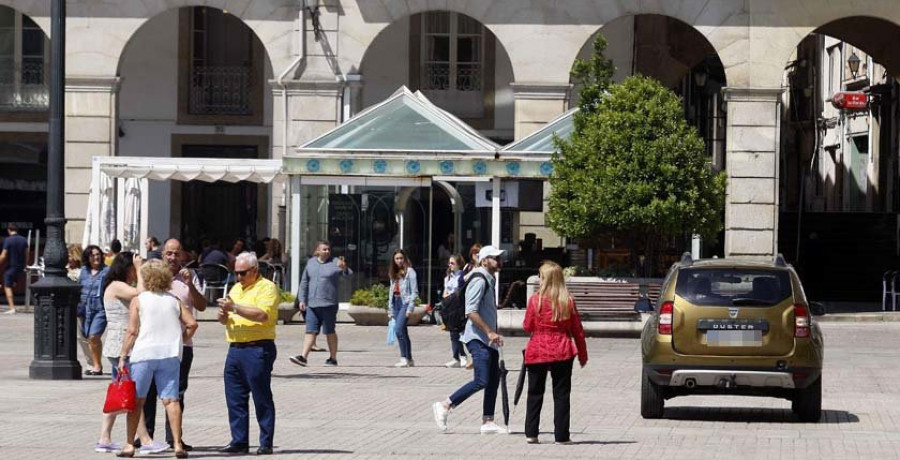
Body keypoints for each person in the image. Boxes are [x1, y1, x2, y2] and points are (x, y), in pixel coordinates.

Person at [116, 259, 196, 458]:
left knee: (137, 401)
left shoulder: (139, 300)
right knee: (171, 400)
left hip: (144, 354)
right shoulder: (174, 299)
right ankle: (178, 444)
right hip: (169, 354)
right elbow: (192, 324)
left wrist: (123, 355)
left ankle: (129, 445)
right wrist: (181, 340)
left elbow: (132, 331)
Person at [96, 252, 167, 455]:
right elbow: (140, 293)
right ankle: (144, 439)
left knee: (120, 392)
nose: (137, 273)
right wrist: (139, 267)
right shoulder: (117, 285)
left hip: (120, 346)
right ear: (126, 268)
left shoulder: (116, 286)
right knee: (133, 394)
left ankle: (105, 437)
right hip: (122, 346)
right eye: (133, 269)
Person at [432, 245, 506, 434]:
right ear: (484, 261)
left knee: (493, 380)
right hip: (478, 339)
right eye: (494, 258)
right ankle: (445, 405)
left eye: (499, 257)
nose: (499, 261)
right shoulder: (479, 280)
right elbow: (470, 311)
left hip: (486, 339)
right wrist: (489, 332)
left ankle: (488, 421)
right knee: (482, 380)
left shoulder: (488, 279)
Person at [142, 239, 207, 451]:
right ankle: (146, 437)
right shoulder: (151, 275)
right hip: (152, 344)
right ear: (162, 255)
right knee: (149, 391)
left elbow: (202, 306)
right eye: (169, 253)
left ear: (183, 256)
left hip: (181, 346)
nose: (172, 257)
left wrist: (189, 285)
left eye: (176, 254)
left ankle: (175, 439)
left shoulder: (191, 276)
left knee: (176, 393)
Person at [216, 252, 279, 455]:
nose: (239, 278)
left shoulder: (267, 287)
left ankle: (266, 442)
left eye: (243, 273)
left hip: (257, 347)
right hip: (235, 348)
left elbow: (262, 315)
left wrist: (234, 307)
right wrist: (223, 315)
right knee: (235, 397)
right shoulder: (236, 288)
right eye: (236, 273)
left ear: (254, 270)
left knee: (261, 396)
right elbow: (227, 319)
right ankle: (239, 440)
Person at [522, 261, 588, 445]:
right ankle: (562, 436)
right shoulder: (568, 300)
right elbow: (578, 330)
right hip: (562, 349)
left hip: (538, 349)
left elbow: (527, 326)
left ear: (546, 279)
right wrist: (583, 355)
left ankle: (531, 433)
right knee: (561, 394)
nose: (538, 279)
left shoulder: (535, 300)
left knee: (535, 392)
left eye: (540, 276)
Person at [289, 241, 351, 367]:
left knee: (329, 331)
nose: (327, 251)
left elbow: (348, 276)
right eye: (324, 249)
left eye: (328, 249)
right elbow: (304, 282)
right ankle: (303, 357)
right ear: (317, 251)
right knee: (310, 331)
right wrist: (302, 300)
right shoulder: (311, 263)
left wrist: (344, 268)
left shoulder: (335, 262)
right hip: (312, 304)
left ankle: (333, 358)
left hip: (329, 304)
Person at [78, 245, 109, 375]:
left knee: (94, 335)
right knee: (85, 336)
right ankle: (92, 363)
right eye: (92, 255)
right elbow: (79, 286)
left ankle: (97, 366)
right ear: (88, 257)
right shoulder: (84, 270)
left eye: (98, 254)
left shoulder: (107, 270)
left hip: (100, 307)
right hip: (84, 306)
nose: (96, 257)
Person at [389, 249, 418, 368]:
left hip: (405, 302)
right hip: (396, 302)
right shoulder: (393, 272)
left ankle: (403, 358)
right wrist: (390, 310)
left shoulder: (410, 272)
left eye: (401, 258)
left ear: (405, 259)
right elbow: (390, 292)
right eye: (397, 259)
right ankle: (409, 358)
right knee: (403, 331)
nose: (399, 261)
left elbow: (414, 292)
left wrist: (410, 308)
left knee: (399, 329)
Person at [442, 254, 468, 368]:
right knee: (453, 332)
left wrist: (452, 295)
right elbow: (445, 292)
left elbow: (461, 292)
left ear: (458, 264)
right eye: (449, 263)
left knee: (458, 332)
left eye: (452, 263)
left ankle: (462, 356)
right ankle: (456, 357)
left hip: (459, 307)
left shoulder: (462, 276)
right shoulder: (448, 277)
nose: (450, 265)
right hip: (449, 306)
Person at [0, 223, 28, 314]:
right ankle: (14, 283)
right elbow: (26, 254)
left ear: (9, 230)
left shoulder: (8, 240)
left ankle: (12, 307)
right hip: (20, 267)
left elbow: (4, 255)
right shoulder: (24, 240)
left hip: (11, 266)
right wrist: (25, 265)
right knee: (12, 283)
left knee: (7, 286)